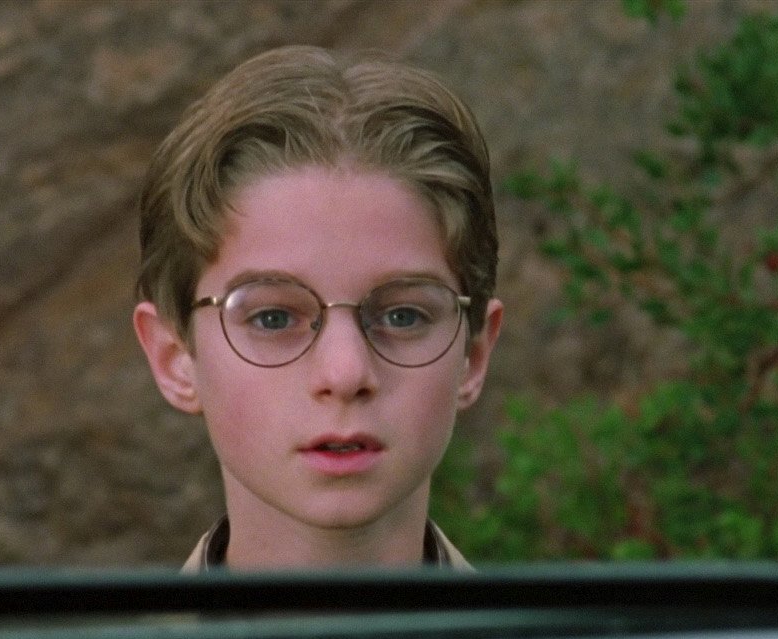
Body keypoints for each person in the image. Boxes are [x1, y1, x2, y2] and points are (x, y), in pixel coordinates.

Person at [131, 46, 502, 572]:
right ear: (174, 358)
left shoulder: (593, 630)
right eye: (273, 318)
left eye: (403, 316)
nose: (345, 374)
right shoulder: (87, 637)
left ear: (474, 353)